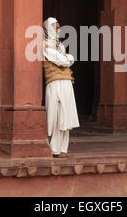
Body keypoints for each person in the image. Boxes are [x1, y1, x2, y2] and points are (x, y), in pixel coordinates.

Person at [43, 17, 80, 158]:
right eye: (56, 27)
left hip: (66, 82)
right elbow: (64, 60)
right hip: (55, 82)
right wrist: (69, 59)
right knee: (56, 115)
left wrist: (68, 59)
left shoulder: (60, 46)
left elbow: (66, 59)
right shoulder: (45, 45)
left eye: (59, 27)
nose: (58, 30)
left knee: (66, 114)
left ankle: (63, 149)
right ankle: (54, 149)